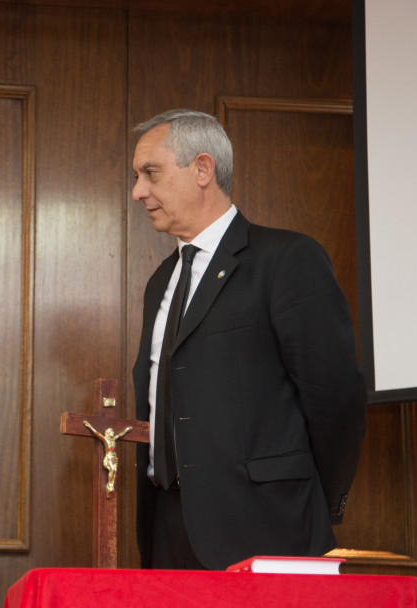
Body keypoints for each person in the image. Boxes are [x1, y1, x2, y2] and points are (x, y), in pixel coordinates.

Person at [130, 109, 367, 571]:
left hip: (267, 529)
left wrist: (309, 498)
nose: (138, 191)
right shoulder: (161, 282)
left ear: (202, 169)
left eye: (150, 173)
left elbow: (336, 398)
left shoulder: (287, 261)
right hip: (168, 533)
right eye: (137, 177)